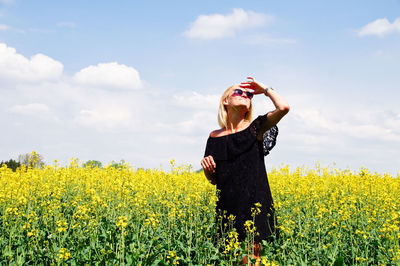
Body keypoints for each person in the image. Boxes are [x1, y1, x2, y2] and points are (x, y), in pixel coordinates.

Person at [201, 76, 290, 260]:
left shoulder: (256, 128)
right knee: (228, 260)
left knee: (250, 261)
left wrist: (264, 89)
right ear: (226, 101)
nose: (246, 95)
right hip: (227, 206)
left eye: (249, 95)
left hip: (254, 204)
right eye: (239, 92)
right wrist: (207, 171)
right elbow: (214, 179)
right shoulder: (214, 136)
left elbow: (284, 108)